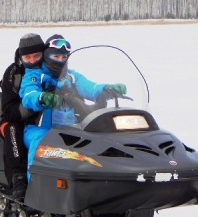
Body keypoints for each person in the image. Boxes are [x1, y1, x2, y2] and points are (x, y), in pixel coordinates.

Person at [19, 34, 127, 180]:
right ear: (47, 56)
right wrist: (42, 97)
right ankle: (34, 187)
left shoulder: (71, 76)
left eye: (64, 58)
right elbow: (28, 93)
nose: (60, 61)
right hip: (39, 128)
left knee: (95, 140)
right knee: (41, 141)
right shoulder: (36, 75)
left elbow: (91, 87)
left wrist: (108, 89)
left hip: (69, 128)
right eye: (56, 57)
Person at [0, 33, 45, 200]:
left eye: (36, 56)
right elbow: (8, 109)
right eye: (27, 57)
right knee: (12, 129)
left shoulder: (52, 68)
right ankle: (18, 178)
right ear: (21, 56)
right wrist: (33, 106)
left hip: (45, 117)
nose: (32, 61)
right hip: (14, 117)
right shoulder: (14, 73)